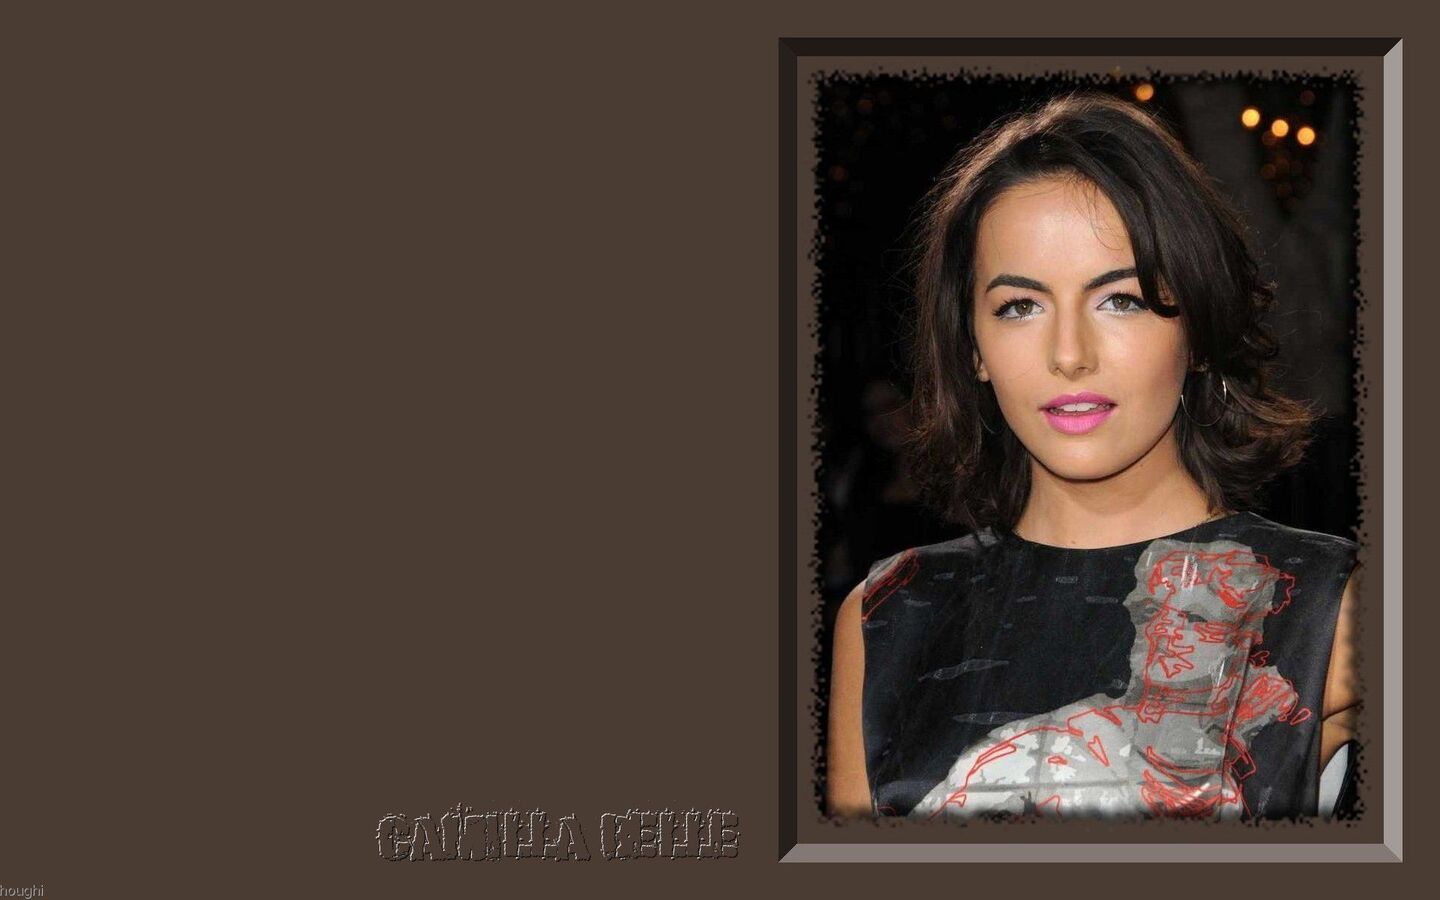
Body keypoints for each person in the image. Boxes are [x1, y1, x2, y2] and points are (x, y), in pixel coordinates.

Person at [825, 90, 1361, 822]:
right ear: (974, 346)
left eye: (1122, 299)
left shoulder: (1331, 606)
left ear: (1198, 327)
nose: (1069, 354)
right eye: (1020, 306)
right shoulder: (889, 617)